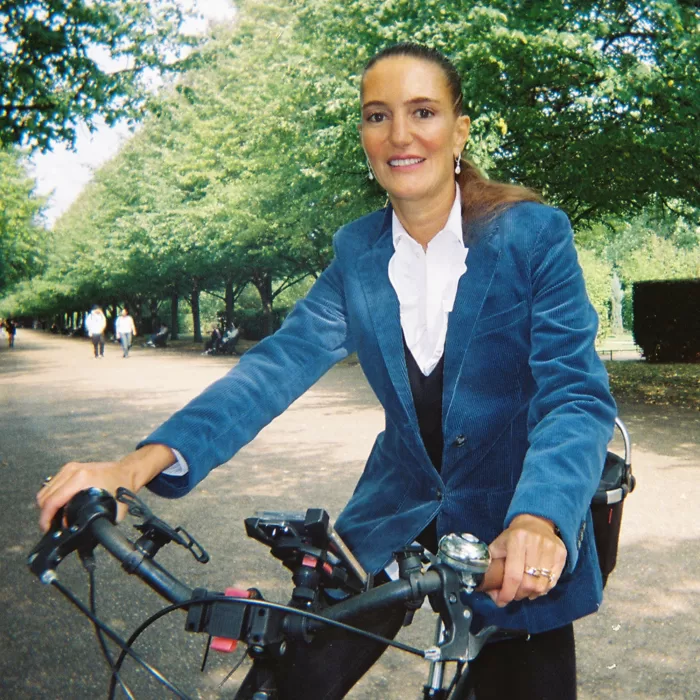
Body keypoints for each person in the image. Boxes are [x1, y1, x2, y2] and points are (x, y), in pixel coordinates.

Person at [37, 43, 616, 699]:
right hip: (392, 517)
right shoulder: (357, 253)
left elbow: (574, 397)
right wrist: (133, 467)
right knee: (288, 682)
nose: (400, 134)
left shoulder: (533, 236)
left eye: (422, 111)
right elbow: (274, 369)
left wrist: (539, 518)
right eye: (377, 116)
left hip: (514, 527)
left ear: (459, 131)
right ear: (365, 136)